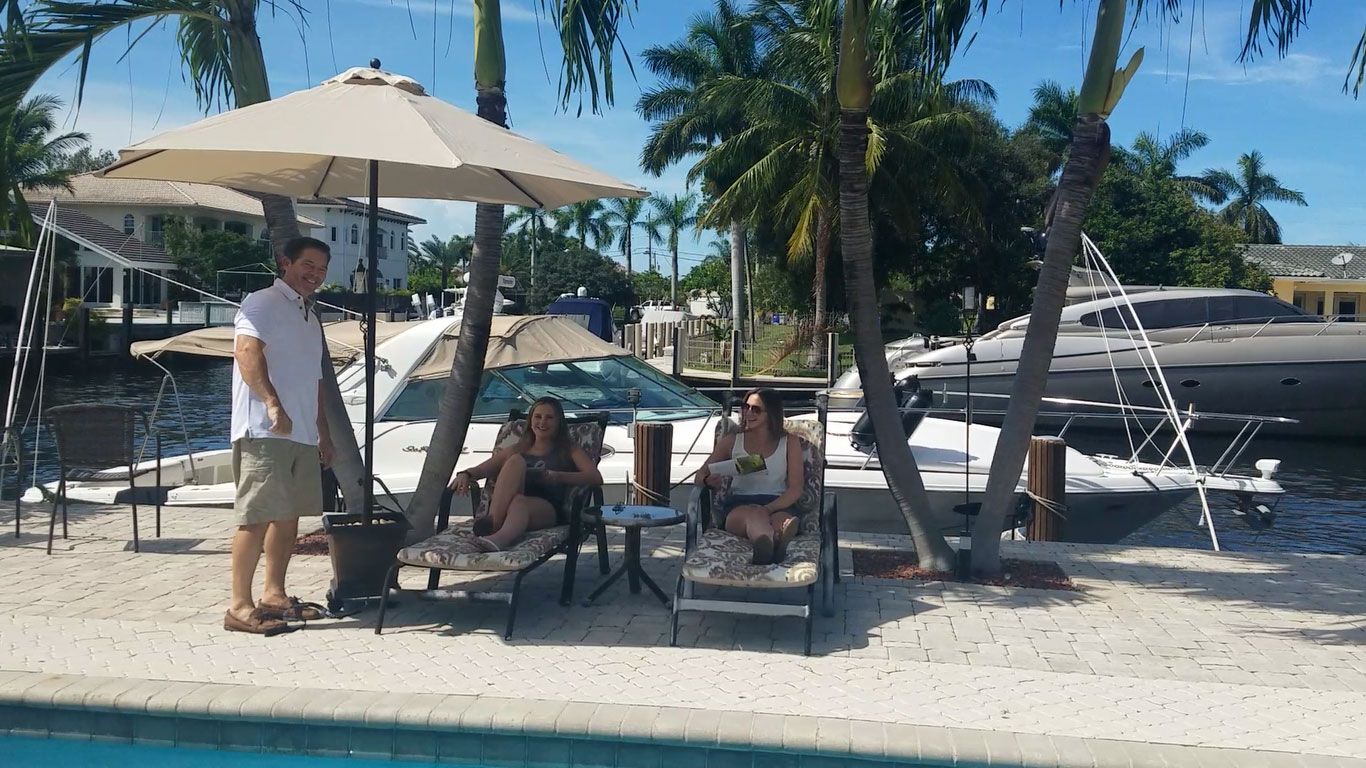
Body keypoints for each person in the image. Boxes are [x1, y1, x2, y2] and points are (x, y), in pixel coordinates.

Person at [224, 236, 335, 636]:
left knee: (288, 517)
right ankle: (239, 606)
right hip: (265, 429)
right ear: (285, 262)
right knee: (256, 516)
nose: (315, 275)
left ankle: (274, 595)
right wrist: (272, 404)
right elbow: (246, 352)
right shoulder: (262, 302)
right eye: (308, 265)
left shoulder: (310, 316)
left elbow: (314, 381)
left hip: (301, 433)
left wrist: (323, 434)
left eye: (321, 269)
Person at [449, 397, 603, 551]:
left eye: (549, 417)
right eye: (538, 417)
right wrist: (465, 474)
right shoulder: (518, 448)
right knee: (515, 461)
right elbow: (483, 469)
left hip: (546, 508)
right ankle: (494, 523)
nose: (542, 422)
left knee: (519, 502)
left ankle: (497, 537)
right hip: (509, 506)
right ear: (530, 421)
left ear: (559, 422)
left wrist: (557, 476)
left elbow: (595, 477)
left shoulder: (568, 448)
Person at [695, 388, 804, 565]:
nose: (748, 413)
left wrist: (767, 508)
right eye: (746, 407)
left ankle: (772, 541)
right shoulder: (732, 441)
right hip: (740, 503)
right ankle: (769, 544)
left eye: (756, 409)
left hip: (777, 503)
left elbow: (796, 489)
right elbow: (700, 474)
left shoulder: (789, 442)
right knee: (755, 516)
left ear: (771, 414)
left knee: (782, 521)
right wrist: (707, 481)